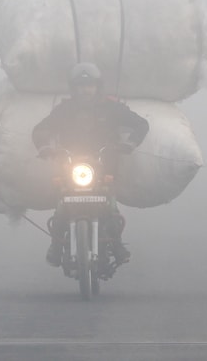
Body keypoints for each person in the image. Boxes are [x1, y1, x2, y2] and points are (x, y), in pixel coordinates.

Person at [32, 62, 149, 267]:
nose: (85, 90)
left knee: (109, 203)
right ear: (73, 88)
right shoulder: (64, 110)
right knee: (62, 202)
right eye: (80, 86)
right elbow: (41, 129)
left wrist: (129, 143)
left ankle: (117, 243)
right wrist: (44, 147)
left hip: (105, 164)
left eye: (89, 85)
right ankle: (56, 245)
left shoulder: (112, 108)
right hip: (70, 164)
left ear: (97, 87)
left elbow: (141, 124)